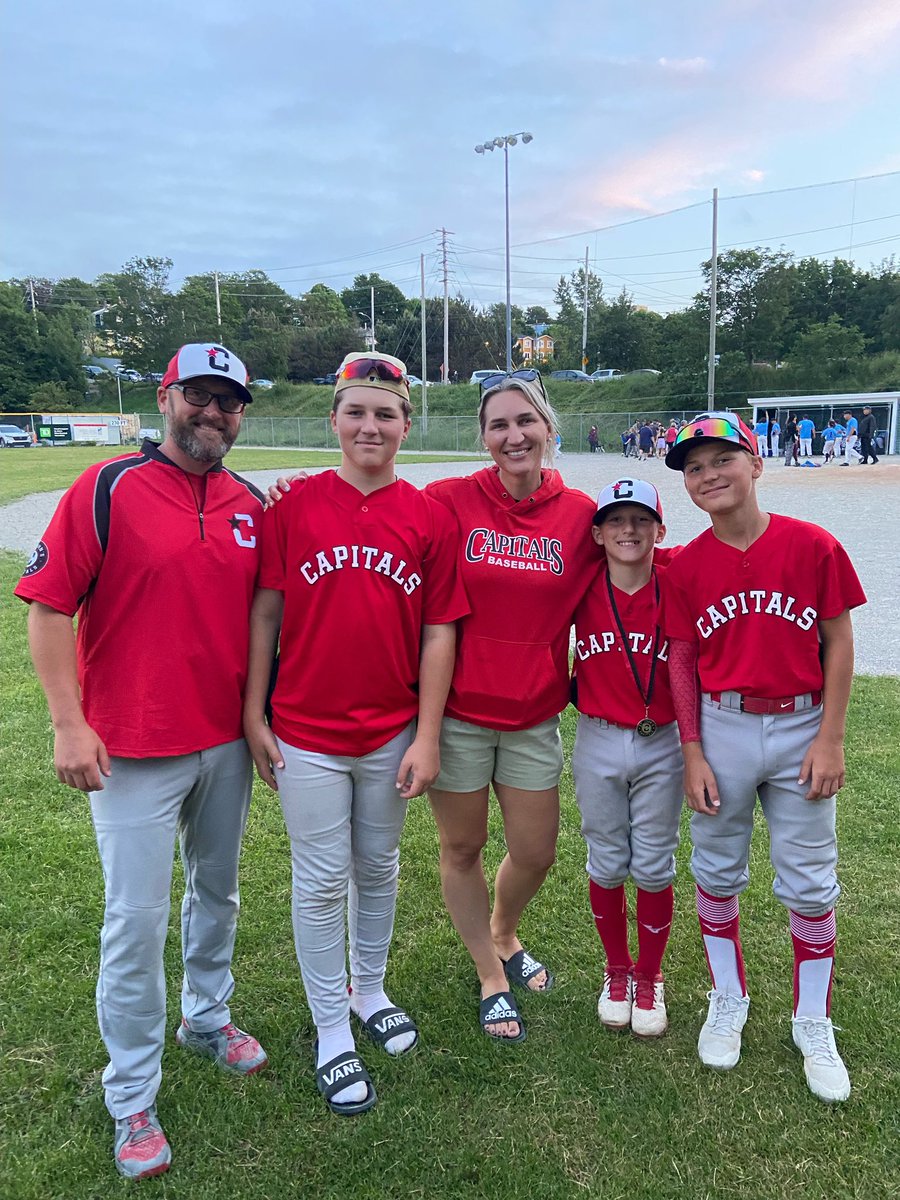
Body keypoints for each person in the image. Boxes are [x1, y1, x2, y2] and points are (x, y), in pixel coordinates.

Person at [15, 343, 268, 1179]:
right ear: (166, 398)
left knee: (218, 890)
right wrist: (67, 723)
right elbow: (50, 608)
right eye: (199, 395)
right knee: (135, 920)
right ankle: (130, 1096)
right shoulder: (108, 487)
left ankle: (206, 1017)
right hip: (130, 747)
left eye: (229, 402)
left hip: (224, 742)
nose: (214, 413)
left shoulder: (250, 502)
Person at [242, 352, 468, 1116]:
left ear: (407, 424)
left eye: (385, 412)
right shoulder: (293, 506)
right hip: (305, 728)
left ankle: (368, 988)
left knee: (378, 866)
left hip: (390, 729)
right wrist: (253, 713)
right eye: (356, 411)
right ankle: (331, 1028)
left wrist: (428, 734)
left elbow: (440, 632)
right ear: (334, 420)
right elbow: (266, 615)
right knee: (320, 878)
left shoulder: (429, 515)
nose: (370, 425)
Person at [663, 412, 865, 1104]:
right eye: (693, 467)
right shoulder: (687, 564)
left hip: (800, 720)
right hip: (722, 724)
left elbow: (838, 641)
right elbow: (683, 659)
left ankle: (813, 1017)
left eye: (723, 458)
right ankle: (729, 997)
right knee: (716, 868)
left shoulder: (813, 545)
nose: (709, 475)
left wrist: (831, 736)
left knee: (809, 880)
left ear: (757, 463)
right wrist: (691, 750)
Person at [425, 370, 600, 1042]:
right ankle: (489, 971)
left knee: (535, 850)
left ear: (547, 428)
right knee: (462, 845)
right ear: (484, 437)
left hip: (532, 716)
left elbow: (635, 564)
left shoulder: (581, 515)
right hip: (461, 714)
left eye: (524, 421)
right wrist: (296, 492)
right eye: (498, 425)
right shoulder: (449, 500)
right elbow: (376, 517)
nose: (513, 435)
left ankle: (504, 929)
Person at [571, 479, 682, 1039]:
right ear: (597, 533)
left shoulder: (680, 576)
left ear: (661, 531)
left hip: (663, 739)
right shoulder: (583, 584)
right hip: (597, 733)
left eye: (641, 520)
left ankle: (649, 974)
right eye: (615, 520)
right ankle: (617, 971)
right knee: (608, 856)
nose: (628, 531)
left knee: (655, 860)